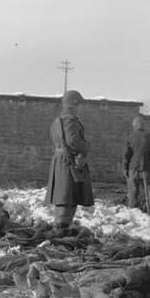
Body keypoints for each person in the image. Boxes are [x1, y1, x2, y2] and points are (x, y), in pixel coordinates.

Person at [44, 90, 94, 235]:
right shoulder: (70, 120)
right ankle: (61, 231)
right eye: (80, 104)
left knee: (63, 197)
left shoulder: (56, 121)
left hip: (60, 161)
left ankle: (60, 228)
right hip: (69, 162)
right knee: (68, 198)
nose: (81, 108)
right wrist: (85, 147)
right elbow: (73, 140)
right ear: (75, 104)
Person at [122, 115, 150, 216]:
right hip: (147, 169)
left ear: (135, 125)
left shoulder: (129, 137)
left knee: (133, 192)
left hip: (132, 169)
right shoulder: (149, 137)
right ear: (143, 125)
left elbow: (126, 155)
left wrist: (125, 169)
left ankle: (133, 213)